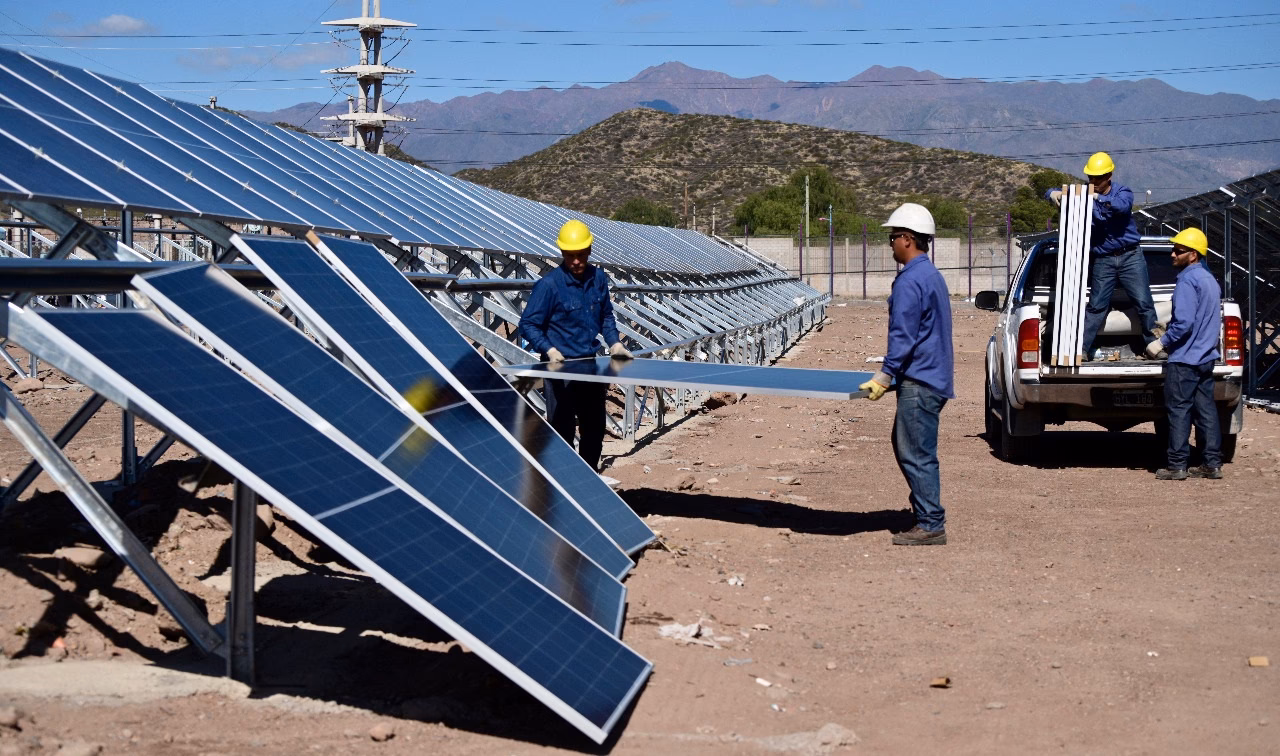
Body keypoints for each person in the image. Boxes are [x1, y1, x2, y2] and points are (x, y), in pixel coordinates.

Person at [859, 203, 955, 546]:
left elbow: (903, 334)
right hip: (933, 377)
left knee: (915, 452)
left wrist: (885, 375)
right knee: (909, 447)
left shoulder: (910, 281)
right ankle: (926, 514)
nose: (890, 244)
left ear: (907, 239)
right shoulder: (931, 275)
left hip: (921, 381)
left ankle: (930, 523)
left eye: (893, 237)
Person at [519, 219, 633, 471]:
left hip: (589, 367)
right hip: (560, 369)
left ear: (589, 250)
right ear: (562, 253)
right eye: (570, 256)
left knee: (594, 427)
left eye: (581, 254)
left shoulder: (598, 279)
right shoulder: (549, 286)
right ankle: (567, 480)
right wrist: (549, 349)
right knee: (562, 429)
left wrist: (614, 343)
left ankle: (589, 476)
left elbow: (605, 316)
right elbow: (528, 324)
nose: (576, 261)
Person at [1046, 152, 1158, 359]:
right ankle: (1081, 349)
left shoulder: (1122, 192)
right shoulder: (1084, 193)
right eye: (1091, 178)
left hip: (1130, 256)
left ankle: (1154, 345)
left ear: (1109, 176)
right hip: (1103, 258)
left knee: (1143, 302)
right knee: (1096, 306)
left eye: (1098, 178)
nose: (1093, 182)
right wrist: (1054, 194)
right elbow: (1051, 191)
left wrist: (1097, 198)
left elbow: (1121, 206)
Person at [1148, 228, 1223, 481]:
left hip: (1185, 360)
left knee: (1179, 411)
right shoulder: (1209, 279)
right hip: (1206, 357)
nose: (1172, 254)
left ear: (1193, 255)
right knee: (1206, 412)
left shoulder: (1187, 281)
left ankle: (1176, 465)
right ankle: (1211, 464)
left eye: (1178, 251)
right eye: (1173, 250)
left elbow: (1184, 323)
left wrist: (1161, 343)